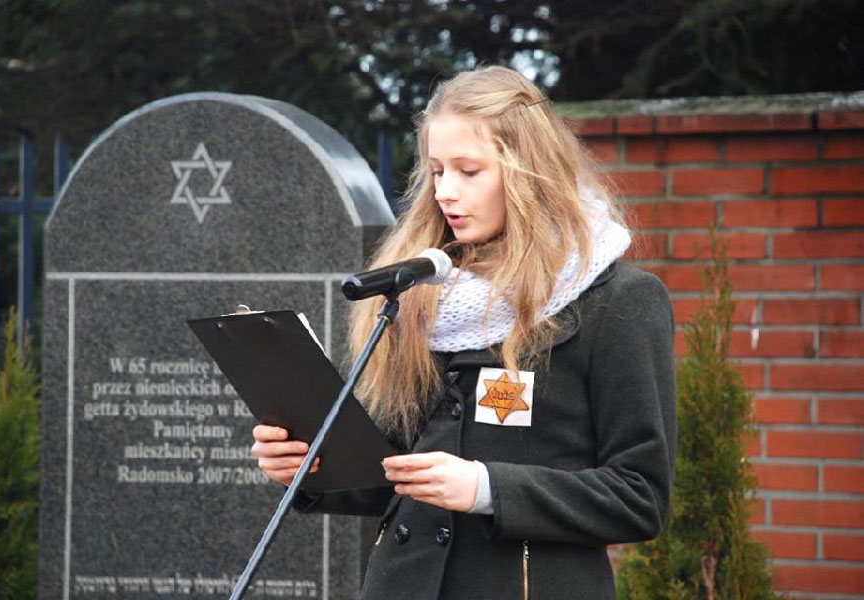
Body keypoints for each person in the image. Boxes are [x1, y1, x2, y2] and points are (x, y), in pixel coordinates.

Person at [252, 65, 675, 600]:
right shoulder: (425, 292)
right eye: (436, 172)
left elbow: (640, 496)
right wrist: (312, 465)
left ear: (528, 172)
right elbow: (396, 472)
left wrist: (487, 488)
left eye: (468, 171)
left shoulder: (619, 301)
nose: (445, 193)